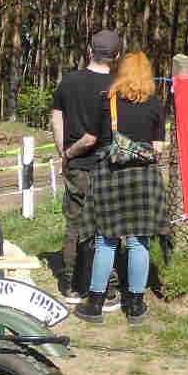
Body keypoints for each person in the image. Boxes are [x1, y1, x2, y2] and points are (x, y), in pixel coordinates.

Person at [72, 50, 169, 326]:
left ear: (121, 72)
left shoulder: (107, 102)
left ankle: (95, 306)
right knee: (140, 241)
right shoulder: (154, 105)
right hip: (144, 179)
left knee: (106, 240)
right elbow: (158, 148)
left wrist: (69, 153)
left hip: (109, 176)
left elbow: (92, 138)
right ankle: (136, 307)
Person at [52, 29, 121, 304]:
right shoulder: (120, 85)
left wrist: (64, 152)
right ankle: (108, 288)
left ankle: (71, 284)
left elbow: (57, 117)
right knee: (109, 226)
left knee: (74, 224)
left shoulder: (69, 81)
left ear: (89, 50)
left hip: (76, 165)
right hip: (110, 166)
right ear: (116, 56)